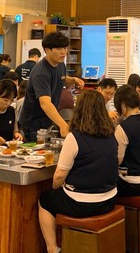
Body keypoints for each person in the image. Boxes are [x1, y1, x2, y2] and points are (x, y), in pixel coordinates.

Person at [38, 90, 118, 253]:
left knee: (45, 200)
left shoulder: (74, 137)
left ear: (79, 109)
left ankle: (52, 248)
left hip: (81, 204)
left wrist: (55, 187)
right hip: (109, 199)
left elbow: (59, 175)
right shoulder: (111, 135)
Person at [19, 32, 85, 141]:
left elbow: (62, 78)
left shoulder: (60, 64)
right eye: (59, 48)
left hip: (48, 121)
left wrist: (73, 80)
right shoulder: (41, 73)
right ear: (47, 50)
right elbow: (45, 103)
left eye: (65, 48)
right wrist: (62, 124)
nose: (63, 52)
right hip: (33, 125)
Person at [0, 79, 23, 144]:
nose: (8, 103)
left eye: (11, 100)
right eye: (5, 100)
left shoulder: (11, 110)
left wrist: (17, 135)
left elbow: (15, 131)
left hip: (8, 148)